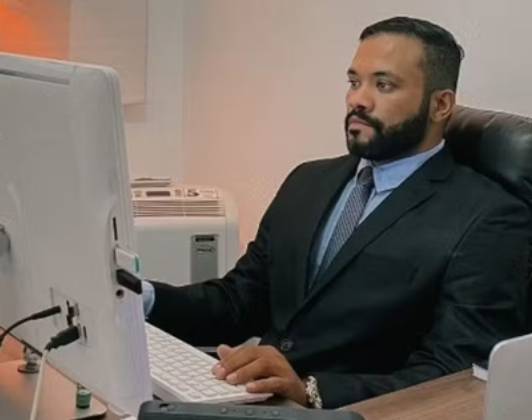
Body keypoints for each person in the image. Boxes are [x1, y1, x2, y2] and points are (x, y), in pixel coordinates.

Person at [141, 16, 532, 408]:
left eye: (383, 85)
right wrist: (140, 298)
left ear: (440, 105)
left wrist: (310, 391)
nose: (358, 100)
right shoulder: (307, 181)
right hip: (253, 403)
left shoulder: (491, 219)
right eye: (354, 82)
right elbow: (239, 301)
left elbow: (454, 376)